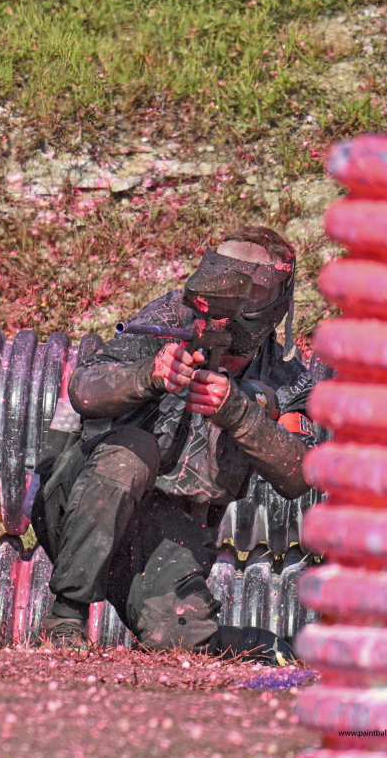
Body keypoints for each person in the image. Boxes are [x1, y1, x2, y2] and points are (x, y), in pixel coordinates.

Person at [31, 226, 318, 665]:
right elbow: (84, 390)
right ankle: (65, 619)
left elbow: (299, 475)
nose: (236, 305)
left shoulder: (286, 378)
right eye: (230, 283)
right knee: (129, 455)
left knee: (181, 637)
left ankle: (262, 645)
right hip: (82, 501)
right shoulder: (167, 319)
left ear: (278, 302)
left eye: (256, 292)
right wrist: (148, 375)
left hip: (169, 534)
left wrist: (238, 413)